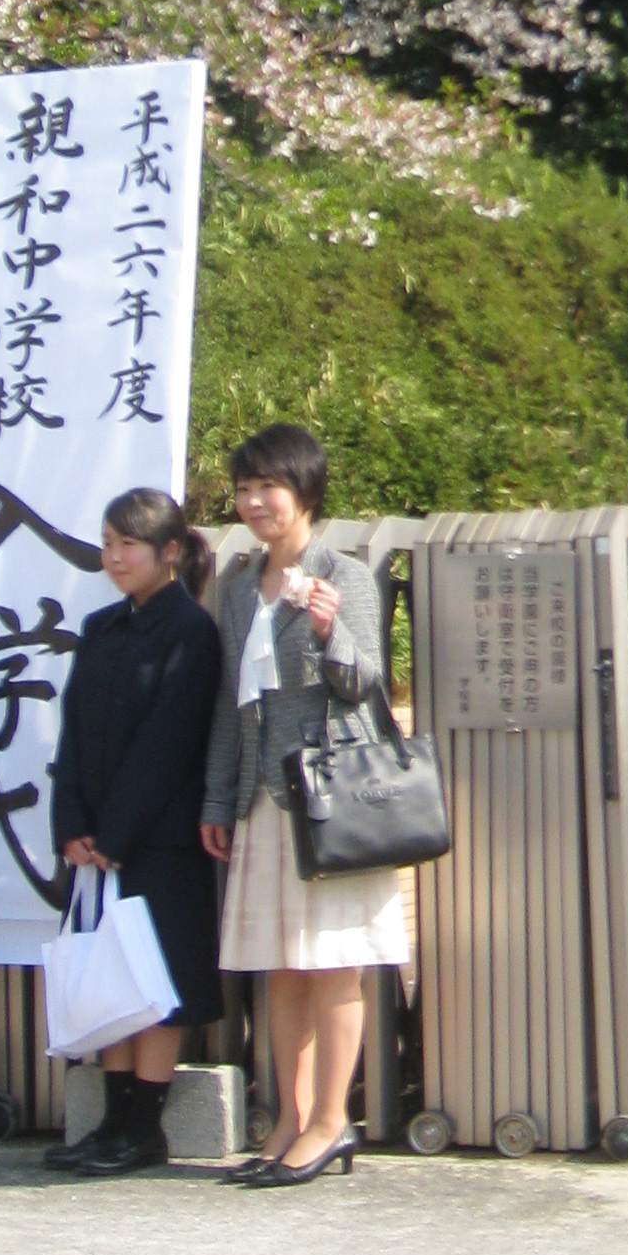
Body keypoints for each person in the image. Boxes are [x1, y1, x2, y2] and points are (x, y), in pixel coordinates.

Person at [203, 423, 399, 1188]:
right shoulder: (236, 585)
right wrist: (219, 797)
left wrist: (327, 631)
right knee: (278, 968)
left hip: (327, 798)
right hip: (261, 795)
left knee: (334, 968)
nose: (254, 502)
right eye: (245, 489)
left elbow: (365, 684)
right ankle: (289, 1119)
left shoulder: (342, 574)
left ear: (305, 492)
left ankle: (330, 1122)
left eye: (268, 488)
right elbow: (230, 701)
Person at [44, 491, 225, 1180]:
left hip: (160, 841)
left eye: (130, 544)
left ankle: (144, 1127)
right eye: (108, 543)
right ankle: (110, 1122)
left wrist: (116, 834)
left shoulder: (191, 631)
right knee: (106, 977)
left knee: (156, 983)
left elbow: (168, 744)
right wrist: (73, 827)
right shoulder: (99, 628)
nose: (114, 557)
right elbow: (74, 732)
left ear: (169, 552)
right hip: (95, 843)